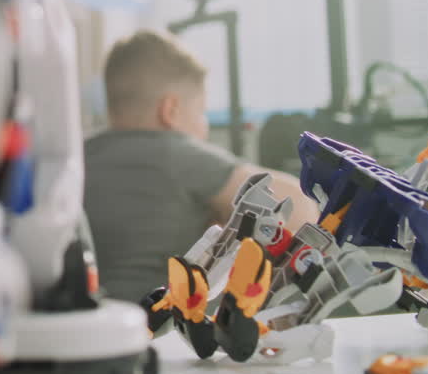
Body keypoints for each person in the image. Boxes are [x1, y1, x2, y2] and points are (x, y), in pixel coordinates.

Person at [83, 29, 319, 304]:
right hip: (164, 332)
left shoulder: (79, 157)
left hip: (90, 332)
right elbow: (301, 211)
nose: (203, 124)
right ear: (170, 110)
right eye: (200, 111)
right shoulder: (177, 154)